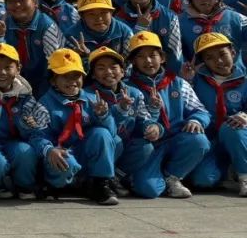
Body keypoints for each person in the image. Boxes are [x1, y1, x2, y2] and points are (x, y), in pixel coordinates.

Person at [24, 49, 120, 205]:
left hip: (82, 151)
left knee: (102, 133)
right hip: (59, 153)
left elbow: (112, 134)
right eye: (65, 76)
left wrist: (103, 116)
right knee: (67, 164)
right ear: (53, 80)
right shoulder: (44, 104)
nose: (72, 81)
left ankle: (100, 183)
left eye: (76, 75)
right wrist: (49, 149)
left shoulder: (92, 100)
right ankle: (54, 184)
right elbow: (37, 135)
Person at [121, 32, 210, 199]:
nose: (148, 61)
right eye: (141, 57)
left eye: (153, 55)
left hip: (175, 140)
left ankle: (172, 178)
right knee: (148, 190)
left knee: (198, 140)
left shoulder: (177, 82)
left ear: (162, 58)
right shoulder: (126, 87)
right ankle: (143, 177)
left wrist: (196, 120)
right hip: (147, 146)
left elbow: (200, 110)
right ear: (132, 61)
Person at [187, 33, 247, 195]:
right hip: (212, 139)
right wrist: (187, 80)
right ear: (203, 62)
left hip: (239, 135)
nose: (219, 61)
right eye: (210, 58)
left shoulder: (245, 78)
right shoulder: (196, 79)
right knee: (203, 180)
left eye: (222, 54)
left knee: (231, 127)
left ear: (233, 53)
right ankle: (228, 168)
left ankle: (244, 175)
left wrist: (245, 116)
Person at [0, 43, 39, 200]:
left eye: (8, 67)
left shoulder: (25, 94)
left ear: (18, 68)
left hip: (14, 140)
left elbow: (30, 131)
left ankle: (24, 186)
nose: (2, 72)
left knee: (25, 152)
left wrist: (28, 125)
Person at [86, 46, 147, 198]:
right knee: (105, 135)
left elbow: (144, 120)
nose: (108, 72)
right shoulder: (87, 95)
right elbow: (103, 132)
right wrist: (117, 110)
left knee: (145, 147)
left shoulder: (134, 93)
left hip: (124, 147)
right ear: (93, 74)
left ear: (123, 72)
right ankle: (97, 179)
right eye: (101, 68)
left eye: (114, 67)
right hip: (100, 148)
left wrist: (153, 126)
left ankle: (115, 177)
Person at [0, 0, 65, 93]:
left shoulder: (47, 26)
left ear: (35, 2)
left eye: (23, 0)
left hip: (45, 85)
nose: (17, 5)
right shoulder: (2, 24)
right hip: (12, 84)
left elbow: (56, 64)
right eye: (11, 1)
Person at [117, 0, 184, 73]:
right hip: (132, 78)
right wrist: (140, 28)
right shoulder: (118, 20)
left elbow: (175, 53)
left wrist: (171, 79)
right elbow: (122, 56)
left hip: (163, 77)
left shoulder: (169, 16)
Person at [178, 0, 247, 63]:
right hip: (197, 71)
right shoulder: (178, 22)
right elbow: (176, 55)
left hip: (236, 71)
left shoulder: (236, 18)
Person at [63, 0, 134, 61]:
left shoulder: (125, 32)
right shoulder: (71, 36)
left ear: (111, 13)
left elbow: (130, 62)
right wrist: (81, 57)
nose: (99, 18)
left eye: (103, 13)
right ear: (82, 16)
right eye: (91, 14)